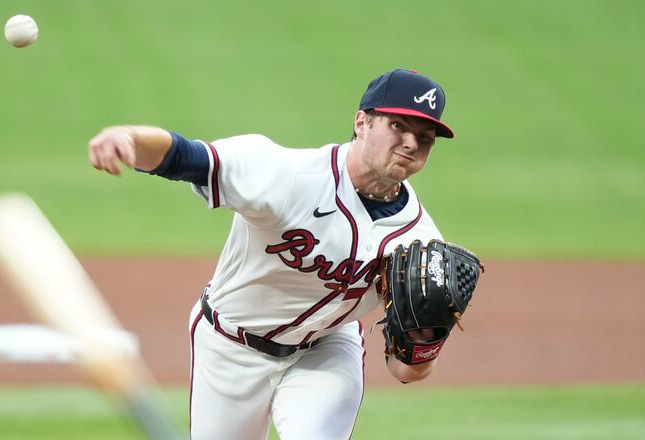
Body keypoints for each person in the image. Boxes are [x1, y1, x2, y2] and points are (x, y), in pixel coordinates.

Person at [88, 68, 456, 440]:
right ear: (362, 122)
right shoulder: (288, 175)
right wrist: (130, 138)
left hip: (324, 351)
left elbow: (406, 371)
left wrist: (426, 338)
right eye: (398, 126)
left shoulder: (421, 242)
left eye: (424, 137)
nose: (411, 143)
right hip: (229, 344)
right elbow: (187, 157)